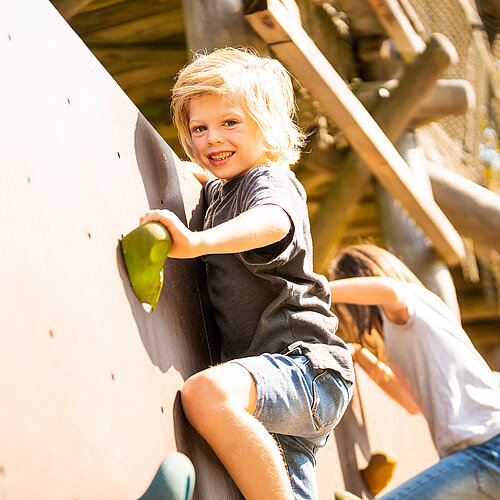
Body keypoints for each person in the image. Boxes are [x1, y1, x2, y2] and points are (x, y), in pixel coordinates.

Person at [139, 47, 354, 500]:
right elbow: (206, 182)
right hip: (270, 389)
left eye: (230, 123)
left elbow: (274, 220)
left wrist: (195, 242)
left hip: (306, 368)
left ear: (267, 124)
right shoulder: (222, 189)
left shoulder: (268, 179)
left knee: (205, 396)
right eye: (200, 128)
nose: (212, 139)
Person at [328, 243, 500, 499]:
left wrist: (317, 288)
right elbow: (410, 400)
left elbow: (390, 289)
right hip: (480, 448)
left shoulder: (408, 302)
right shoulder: (423, 317)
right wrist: (361, 355)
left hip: (485, 446)